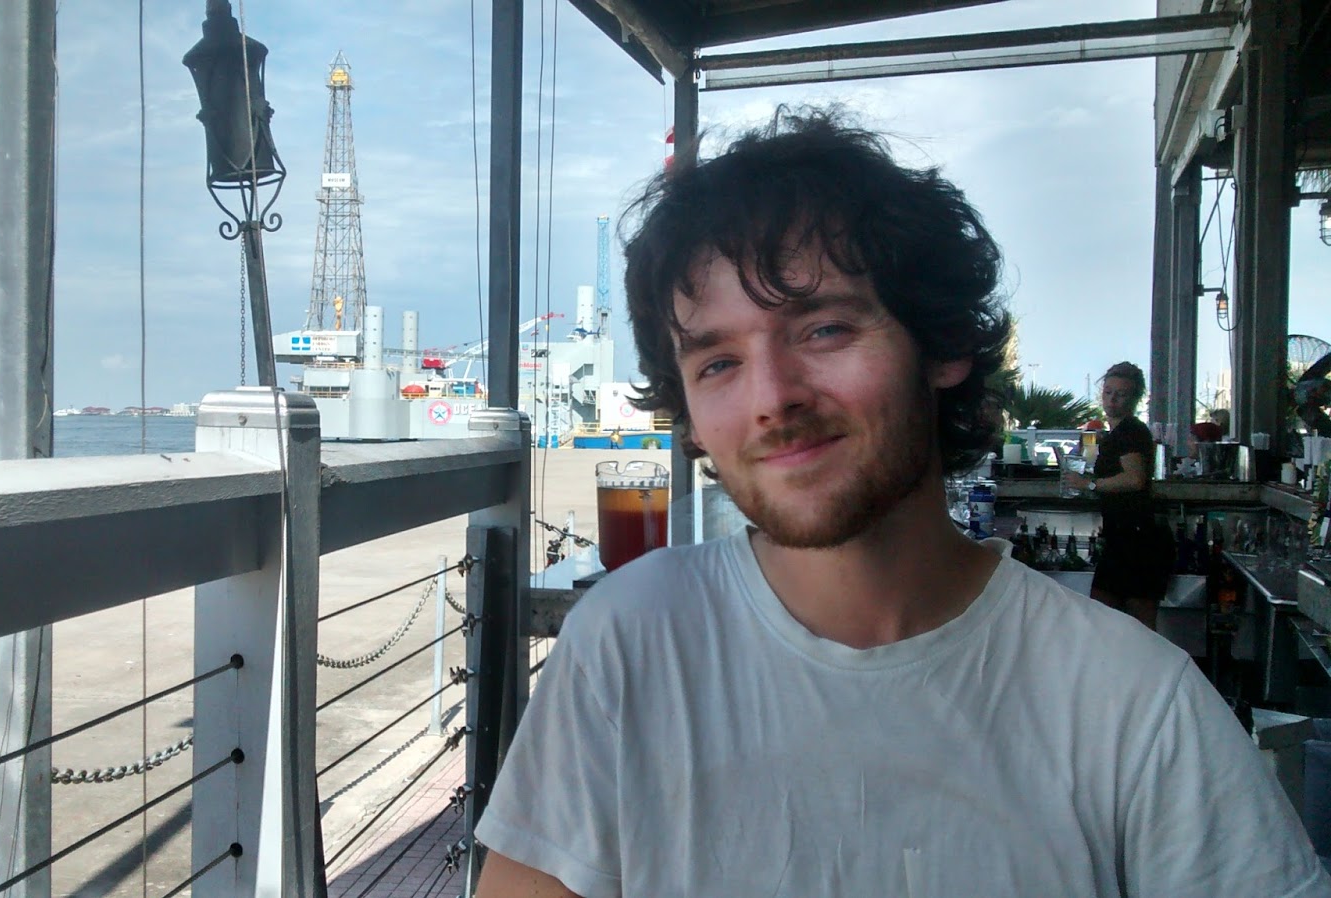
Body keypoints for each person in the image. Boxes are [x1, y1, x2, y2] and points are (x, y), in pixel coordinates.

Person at [473, 108, 1328, 897]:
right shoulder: (628, 644)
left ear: (943, 344)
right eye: (719, 362)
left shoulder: (1134, 707)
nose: (772, 397)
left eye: (824, 329)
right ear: (688, 410)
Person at [1062, 362, 1174, 630]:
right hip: (1125, 536)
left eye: (1121, 394)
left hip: (1138, 540)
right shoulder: (1119, 433)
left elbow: (1134, 479)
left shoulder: (1131, 432)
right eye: (1108, 392)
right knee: (1111, 619)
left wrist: (1089, 484)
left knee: (1128, 623)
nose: (1112, 400)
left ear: (1134, 399)